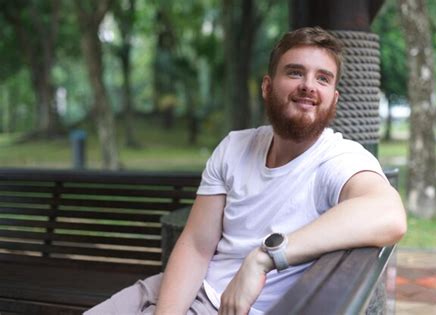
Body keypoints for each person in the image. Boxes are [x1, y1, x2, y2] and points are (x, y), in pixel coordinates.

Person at [85, 26, 406, 315]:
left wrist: (264, 257)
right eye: (295, 73)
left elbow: (389, 215)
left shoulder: (338, 158)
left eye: (323, 78)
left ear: (333, 99)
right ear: (267, 86)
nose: (309, 86)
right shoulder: (233, 147)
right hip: (175, 290)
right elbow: (197, 244)